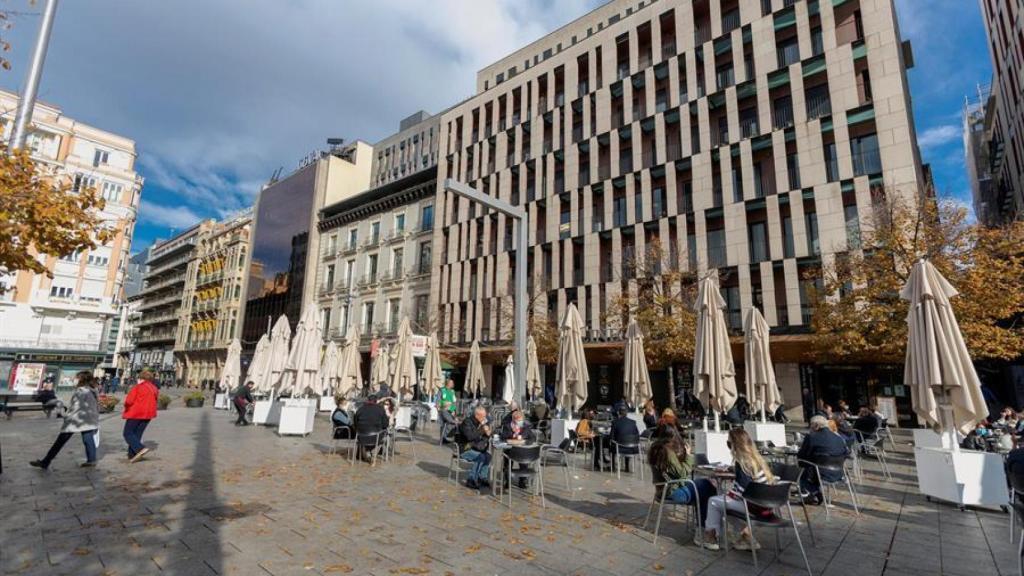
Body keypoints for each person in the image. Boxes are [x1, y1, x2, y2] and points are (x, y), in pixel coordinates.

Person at [704, 429, 775, 551]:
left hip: (753, 505)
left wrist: (729, 494)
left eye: (729, 443)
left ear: (735, 445)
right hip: (765, 505)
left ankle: (711, 536)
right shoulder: (756, 459)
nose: (728, 446)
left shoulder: (741, 462)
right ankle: (747, 537)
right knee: (726, 505)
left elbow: (743, 490)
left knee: (714, 501)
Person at [647, 424, 717, 546]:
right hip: (673, 492)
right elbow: (682, 473)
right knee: (708, 487)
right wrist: (688, 456)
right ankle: (703, 531)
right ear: (672, 437)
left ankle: (703, 528)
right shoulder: (667, 452)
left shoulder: (654, 448)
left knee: (703, 489)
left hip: (662, 489)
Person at [30, 372, 100, 469]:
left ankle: (46, 461)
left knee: (60, 441)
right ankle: (91, 460)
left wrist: (65, 415)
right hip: (88, 419)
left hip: (76, 419)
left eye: (76, 378)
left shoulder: (81, 391)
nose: (74, 380)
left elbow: (75, 407)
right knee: (88, 439)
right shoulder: (92, 391)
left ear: (81, 379)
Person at [797, 415, 850, 503]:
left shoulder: (811, 437)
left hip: (820, 472)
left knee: (802, 470)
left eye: (811, 426)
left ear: (816, 426)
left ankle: (814, 492)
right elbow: (845, 453)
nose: (810, 428)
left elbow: (802, 456)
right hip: (839, 472)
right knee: (813, 466)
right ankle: (813, 492)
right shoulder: (838, 438)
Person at [122, 369, 159, 463]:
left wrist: (126, 406)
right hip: (148, 414)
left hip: (136, 413)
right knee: (137, 434)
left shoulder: (138, 387)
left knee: (128, 433)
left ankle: (139, 448)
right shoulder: (154, 388)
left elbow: (129, 401)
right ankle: (132, 455)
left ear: (141, 378)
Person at [456, 406, 492, 489]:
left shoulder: (481, 423)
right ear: (477, 415)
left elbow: (483, 438)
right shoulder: (467, 422)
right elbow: (470, 437)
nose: (485, 418)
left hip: (475, 447)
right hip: (465, 448)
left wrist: (487, 434)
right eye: (483, 416)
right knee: (481, 457)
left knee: (488, 456)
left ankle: (482, 478)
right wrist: (482, 430)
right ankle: (471, 480)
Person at [353, 394, 390, 461]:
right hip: (376, 437)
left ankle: (367, 453)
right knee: (385, 435)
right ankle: (373, 453)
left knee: (367, 433)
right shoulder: (380, 409)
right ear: (376, 401)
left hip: (361, 436)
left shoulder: (360, 409)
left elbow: (355, 423)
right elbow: (385, 424)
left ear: (368, 400)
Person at [608, 406, 640, 473]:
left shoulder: (615, 422)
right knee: (627, 442)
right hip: (632, 448)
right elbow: (637, 434)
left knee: (612, 445)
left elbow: (611, 437)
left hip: (620, 448)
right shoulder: (633, 422)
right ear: (627, 413)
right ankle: (627, 467)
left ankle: (613, 466)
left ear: (618, 413)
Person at [438, 378, 458, 443]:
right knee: (452, 422)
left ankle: (444, 438)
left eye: (453, 383)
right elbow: (438, 402)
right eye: (451, 383)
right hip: (443, 410)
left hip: (450, 411)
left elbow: (454, 402)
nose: (453, 384)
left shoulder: (452, 391)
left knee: (454, 422)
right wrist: (444, 404)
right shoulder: (442, 390)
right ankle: (445, 437)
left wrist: (454, 410)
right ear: (448, 383)